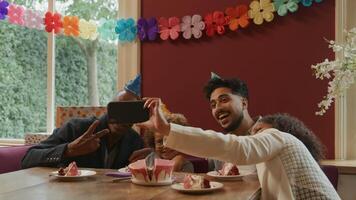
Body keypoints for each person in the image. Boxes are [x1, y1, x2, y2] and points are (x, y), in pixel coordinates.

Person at [139, 98, 340, 200]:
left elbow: (235, 147)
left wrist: (166, 128)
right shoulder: (275, 161)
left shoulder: (279, 136)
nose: (254, 135)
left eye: (258, 130)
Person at [21, 75, 145, 169]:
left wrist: (150, 160)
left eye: (129, 112)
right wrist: (68, 150)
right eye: (119, 109)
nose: (123, 118)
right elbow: (28, 159)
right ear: (109, 109)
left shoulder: (134, 141)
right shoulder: (77, 128)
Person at [204, 72, 257, 171]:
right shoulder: (218, 147)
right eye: (213, 105)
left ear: (244, 103)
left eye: (224, 100)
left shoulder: (270, 133)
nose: (218, 108)